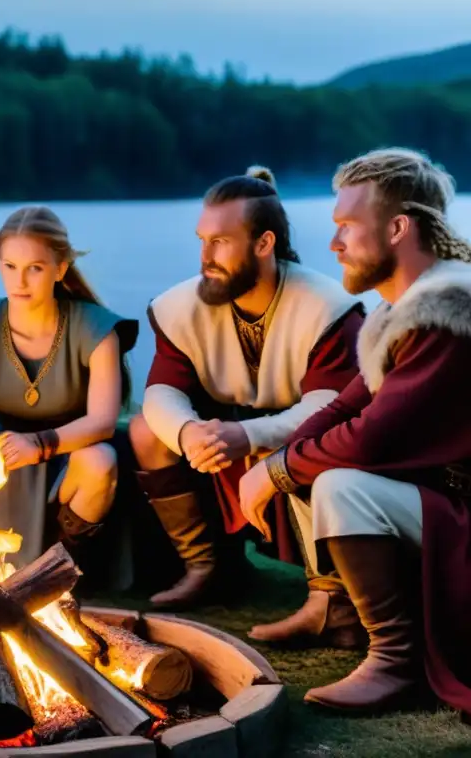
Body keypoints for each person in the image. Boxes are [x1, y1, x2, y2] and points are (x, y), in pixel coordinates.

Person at [239, 148, 471, 716]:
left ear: (397, 228)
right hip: (446, 501)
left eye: (347, 227)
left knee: (341, 483)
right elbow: (347, 405)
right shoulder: (407, 310)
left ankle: (396, 662)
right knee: (309, 457)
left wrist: (278, 471)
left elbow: (371, 437)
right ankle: (335, 607)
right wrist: (273, 457)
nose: (334, 244)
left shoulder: (448, 315)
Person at [128, 166, 366, 621]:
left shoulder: (327, 307)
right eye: (202, 239)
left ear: (264, 244)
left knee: (328, 449)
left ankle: (329, 596)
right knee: (146, 432)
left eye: (220, 242)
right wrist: (188, 433)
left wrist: (249, 434)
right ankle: (207, 566)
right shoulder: (180, 307)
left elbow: (330, 408)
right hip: (222, 435)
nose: (205, 256)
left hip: (299, 435)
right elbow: (161, 391)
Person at [0, 206, 138, 574]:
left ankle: (68, 570)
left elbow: (103, 422)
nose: (20, 282)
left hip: (74, 447)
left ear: (60, 269)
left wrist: (39, 444)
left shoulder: (95, 328)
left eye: (36, 268)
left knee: (100, 459)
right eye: (10, 266)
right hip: (5, 453)